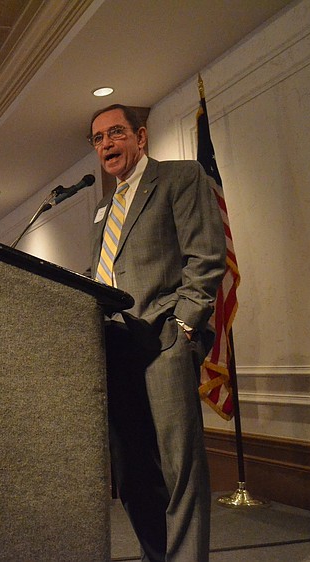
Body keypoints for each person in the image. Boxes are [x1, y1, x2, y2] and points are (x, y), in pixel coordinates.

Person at [87, 104, 225, 561]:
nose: (106, 144)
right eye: (99, 139)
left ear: (140, 137)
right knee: (129, 472)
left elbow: (204, 259)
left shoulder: (180, 178)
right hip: (114, 346)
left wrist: (184, 328)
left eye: (115, 133)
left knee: (179, 468)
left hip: (162, 340)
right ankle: (157, 555)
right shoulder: (104, 206)